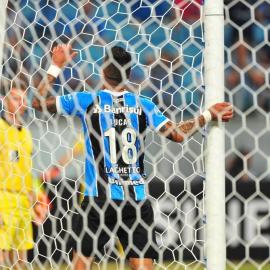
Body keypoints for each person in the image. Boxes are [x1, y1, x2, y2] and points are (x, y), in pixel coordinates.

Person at [32, 44, 234, 270]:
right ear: (129, 74)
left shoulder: (87, 100)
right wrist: (208, 114)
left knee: (82, 265)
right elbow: (177, 134)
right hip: (135, 200)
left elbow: (37, 102)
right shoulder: (143, 105)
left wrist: (56, 66)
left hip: (99, 200)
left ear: (102, 71)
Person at [0, 86, 35, 270]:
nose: (20, 103)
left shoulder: (27, 133)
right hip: (2, 199)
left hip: (23, 202)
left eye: (23, 99)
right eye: (15, 98)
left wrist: (33, 196)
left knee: (20, 261)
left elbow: (27, 169)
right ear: (5, 100)